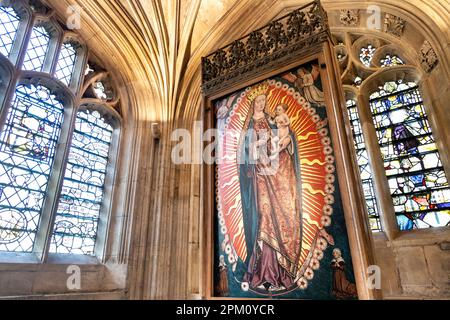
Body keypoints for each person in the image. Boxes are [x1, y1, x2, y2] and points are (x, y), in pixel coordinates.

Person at [237, 82, 303, 292]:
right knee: (264, 214)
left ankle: (281, 271)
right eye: (259, 101)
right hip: (259, 174)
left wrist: (286, 140)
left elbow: (284, 137)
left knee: (282, 214)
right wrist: (254, 147)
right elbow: (245, 151)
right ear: (253, 103)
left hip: (275, 173)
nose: (262, 103)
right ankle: (263, 271)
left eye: (264, 100)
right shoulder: (249, 125)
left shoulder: (271, 122)